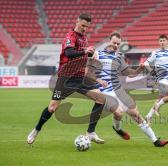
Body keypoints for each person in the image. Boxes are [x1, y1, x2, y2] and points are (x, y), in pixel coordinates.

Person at [27, 13, 111, 144]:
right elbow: (69, 53)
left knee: (101, 99)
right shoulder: (70, 36)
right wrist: (86, 52)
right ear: (77, 22)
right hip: (66, 78)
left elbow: (82, 57)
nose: (84, 28)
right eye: (83, 25)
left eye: (87, 27)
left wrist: (91, 56)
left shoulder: (84, 38)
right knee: (52, 108)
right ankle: (36, 129)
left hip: (80, 77)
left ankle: (90, 132)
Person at [88, 31, 168, 147]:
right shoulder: (97, 54)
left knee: (135, 114)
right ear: (109, 41)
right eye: (114, 43)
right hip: (104, 93)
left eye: (118, 44)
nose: (116, 45)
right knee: (119, 114)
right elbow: (88, 74)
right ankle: (118, 128)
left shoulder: (119, 57)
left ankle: (155, 141)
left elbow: (130, 74)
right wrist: (98, 80)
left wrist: (140, 69)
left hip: (118, 90)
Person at [143, 34, 168, 123]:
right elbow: (146, 63)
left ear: (167, 42)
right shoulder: (156, 53)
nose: (162, 42)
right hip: (161, 79)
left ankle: (148, 116)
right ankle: (157, 106)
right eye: (160, 41)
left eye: (163, 40)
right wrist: (152, 71)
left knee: (160, 98)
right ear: (159, 42)